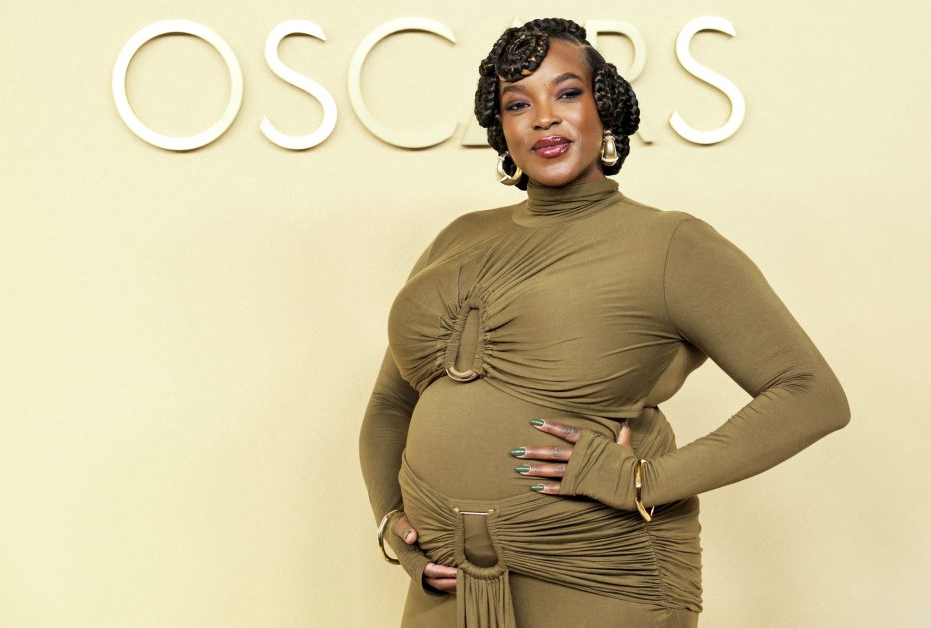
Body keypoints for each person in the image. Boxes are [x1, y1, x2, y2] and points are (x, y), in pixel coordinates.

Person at [359, 17, 849, 628]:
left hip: (602, 573)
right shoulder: (457, 239)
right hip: (446, 581)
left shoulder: (672, 243)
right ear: (500, 127)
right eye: (518, 104)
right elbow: (390, 403)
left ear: (605, 107)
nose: (544, 118)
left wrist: (647, 479)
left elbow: (811, 394)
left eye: (567, 93)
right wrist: (390, 519)